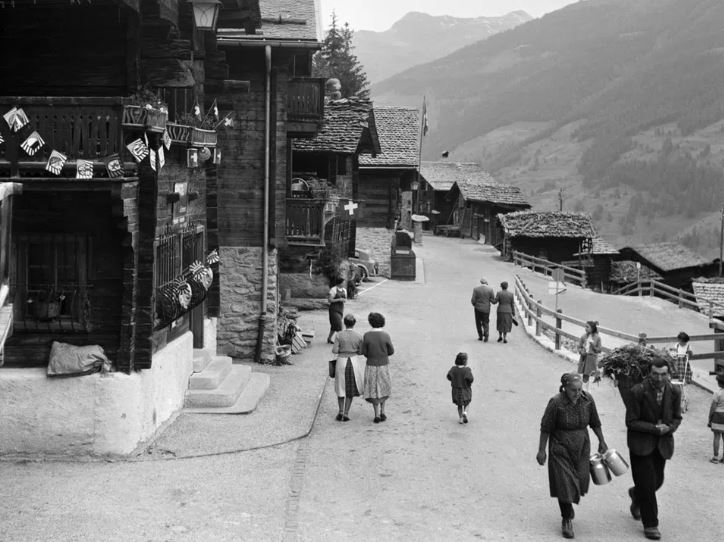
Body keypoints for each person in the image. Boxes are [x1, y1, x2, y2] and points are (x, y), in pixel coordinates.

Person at [537, 373, 608, 539]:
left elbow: (595, 422)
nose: (577, 393)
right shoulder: (556, 403)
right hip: (560, 447)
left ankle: (568, 506)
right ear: (564, 388)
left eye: (579, 389)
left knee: (582, 480)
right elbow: (545, 427)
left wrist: (602, 440)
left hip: (582, 446)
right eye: (573, 390)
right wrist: (541, 450)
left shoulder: (587, 399)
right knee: (564, 482)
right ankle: (566, 518)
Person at [626, 358, 682, 541]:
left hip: (662, 445)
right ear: (649, 373)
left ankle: (636, 494)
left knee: (657, 480)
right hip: (640, 444)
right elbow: (631, 422)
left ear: (669, 374)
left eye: (663, 374)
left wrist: (670, 428)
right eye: (655, 374)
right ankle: (651, 525)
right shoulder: (638, 391)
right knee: (648, 484)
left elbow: (677, 417)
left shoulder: (674, 391)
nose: (659, 378)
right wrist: (654, 429)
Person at [360, 312, 394, 424]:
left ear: (371, 323)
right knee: (383, 387)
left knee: (373, 389)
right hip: (383, 364)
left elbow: (364, 352)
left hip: (371, 365)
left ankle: (376, 414)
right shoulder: (386, 335)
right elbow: (391, 351)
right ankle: (383, 411)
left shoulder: (367, 336)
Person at [331, 314, 365, 422]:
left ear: (344, 323)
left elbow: (335, 350)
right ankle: (346, 413)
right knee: (350, 389)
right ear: (354, 324)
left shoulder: (339, 335)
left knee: (340, 387)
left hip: (341, 361)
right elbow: (360, 352)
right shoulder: (359, 336)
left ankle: (340, 411)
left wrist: (342, 349)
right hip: (353, 362)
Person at [447, 352, 474, 424]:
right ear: (465, 361)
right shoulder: (467, 370)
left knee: (459, 405)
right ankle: (465, 413)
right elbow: (470, 379)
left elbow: (449, 376)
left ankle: (460, 418)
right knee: (467, 403)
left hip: (456, 390)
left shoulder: (453, 369)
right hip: (465, 390)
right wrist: (468, 383)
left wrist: (454, 380)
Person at [577, 321, 602, 386]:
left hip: (591, 359)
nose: (585, 328)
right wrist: (581, 351)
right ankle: (584, 389)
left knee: (588, 375)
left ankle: (586, 389)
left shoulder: (597, 338)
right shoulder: (583, 336)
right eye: (585, 326)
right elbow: (579, 347)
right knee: (584, 376)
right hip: (584, 358)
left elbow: (599, 350)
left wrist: (593, 346)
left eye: (587, 327)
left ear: (592, 328)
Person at [707, 374, 724, 463]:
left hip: (718, 416)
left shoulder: (717, 393)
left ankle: (716, 457)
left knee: (716, 437)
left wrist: (710, 417)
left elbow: (713, 407)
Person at [326, 276, 347, 344]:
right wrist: (339, 299)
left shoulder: (344, 290)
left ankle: (329, 338)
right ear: (339, 283)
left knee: (334, 325)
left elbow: (345, 299)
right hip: (333, 309)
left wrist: (344, 300)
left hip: (340, 309)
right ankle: (341, 341)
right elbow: (329, 300)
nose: (344, 284)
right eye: (343, 282)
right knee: (339, 325)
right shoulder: (333, 290)